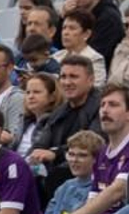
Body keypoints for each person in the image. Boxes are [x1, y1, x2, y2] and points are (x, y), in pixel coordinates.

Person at [19, 84, 129, 214]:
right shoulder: (103, 153)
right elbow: (92, 210)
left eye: (113, 105)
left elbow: (117, 191)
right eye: (103, 105)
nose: (105, 110)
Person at [28, 57, 99, 194]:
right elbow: (40, 144)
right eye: (63, 77)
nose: (67, 82)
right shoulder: (59, 112)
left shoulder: (101, 108)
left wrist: (55, 153)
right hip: (55, 172)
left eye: (74, 77)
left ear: (90, 80)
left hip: (84, 175)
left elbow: (93, 144)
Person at [15, 73, 61, 174]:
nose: (31, 96)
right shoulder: (23, 122)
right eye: (28, 92)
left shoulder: (56, 123)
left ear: (52, 97)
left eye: (36, 92)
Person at [51, 9, 108, 85]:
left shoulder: (94, 59)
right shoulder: (56, 57)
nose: (66, 33)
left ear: (86, 34)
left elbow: (96, 89)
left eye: (72, 28)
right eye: (64, 28)